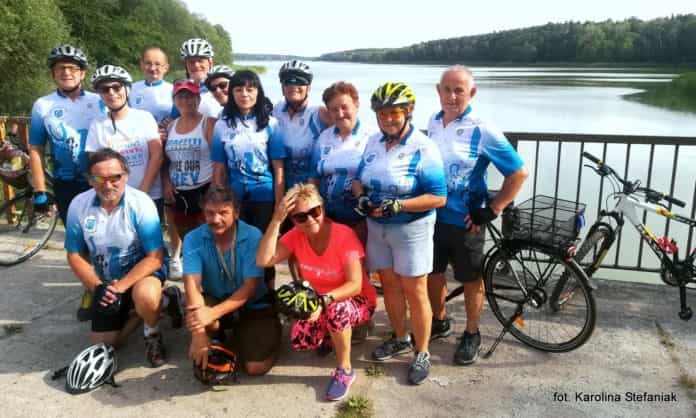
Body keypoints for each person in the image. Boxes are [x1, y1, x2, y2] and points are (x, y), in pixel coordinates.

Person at [427, 66, 528, 365]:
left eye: (459, 90)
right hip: (432, 218)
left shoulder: (482, 129)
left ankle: (472, 332)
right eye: (447, 89)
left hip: (465, 222)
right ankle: (439, 321)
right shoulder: (433, 121)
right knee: (433, 273)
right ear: (438, 91)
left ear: (471, 93)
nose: (452, 96)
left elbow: (519, 173)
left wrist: (493, 209)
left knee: (471, 280)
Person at [352, 82, 447, 385]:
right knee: (390, 286)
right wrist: (361, 197)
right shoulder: (373, 142)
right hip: (377, 227)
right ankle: (400, 337)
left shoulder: (423, 147)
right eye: (382, 114)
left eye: (394, 113)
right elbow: (358, 179)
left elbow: (439, 197)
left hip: (411, 229)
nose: (388, 119)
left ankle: (422, 351)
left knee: (415, 291)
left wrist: (400, 205)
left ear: (408, 111)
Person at [257, 183, 377, 400]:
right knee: (302, 341)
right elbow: (264, 260)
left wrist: (322, 302)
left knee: (337, 312)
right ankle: (335, 334)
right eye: (301, 217)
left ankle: (345, 370)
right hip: (320, 300)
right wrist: (276, 220)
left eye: (315, 211)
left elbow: (355, 285)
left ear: (323, 208)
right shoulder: (295, 235)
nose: (310, 220)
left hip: (355, 299)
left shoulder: (344, 235)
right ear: (292, 220)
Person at [64, 149, 183, 367]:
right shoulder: (78, 205)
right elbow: (74, 254)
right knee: (105, 345)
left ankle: (152, 333)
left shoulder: (141, 203)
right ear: (90, 180)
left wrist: (120, 288)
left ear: (126, 176)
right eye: (99, 178)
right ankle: (149, 309)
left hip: (142, 273)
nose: (108, 185)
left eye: (115, 178)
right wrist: (98, 288)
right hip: (107, 280)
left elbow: (155, 257)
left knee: (146, 297)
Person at [28, 45, 105, 322]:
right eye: (60, 68)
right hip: (65, 182)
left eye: (72, 68)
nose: (66, 72)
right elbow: (36, 148)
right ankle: (91, 288)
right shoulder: (43, 105)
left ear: (83, 73)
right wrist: (40, 189)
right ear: (53, 74)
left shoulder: (99, 100)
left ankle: (113, 286)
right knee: (78, 239)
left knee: (104, 236)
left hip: (100, 181)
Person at [183, 185, 281, 376]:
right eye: (210, 213)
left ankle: (270, 337)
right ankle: (216, 334)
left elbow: (249, 287)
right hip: (216, 299)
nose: (215, 219)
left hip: (253, 304)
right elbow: (191, 286)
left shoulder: (253, 235)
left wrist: (211, 314)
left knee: (255, 367)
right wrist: (198, 333)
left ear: (236, 213)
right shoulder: (192, 238)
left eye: (223, 213)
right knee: (201, 312)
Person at [211, 70, 285, 243]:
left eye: (250, 89)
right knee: (237, 244)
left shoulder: (271, 123)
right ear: (232, 93)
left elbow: (279, 168)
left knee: (263, 245)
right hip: (234, 196)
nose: (244, 94)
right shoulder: (222, 125)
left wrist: (279, 204)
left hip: (264, 195)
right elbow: (219, 168)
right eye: (238, 90)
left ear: (258, 92)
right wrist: (218, 202)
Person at [85, 65, 164, 221]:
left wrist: (141, 194)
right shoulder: (97, 124)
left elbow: (157, 156)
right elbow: (95, 164)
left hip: (148, 194)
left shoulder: (144, 117)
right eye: (105, 89)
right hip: (114, 197)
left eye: (116, 87)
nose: (111, 93)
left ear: (127, 89)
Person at [309, 81, 373, 243]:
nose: (340, 113)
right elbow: (313, 178)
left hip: (359, 219)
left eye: (344, 107)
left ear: (356, 105)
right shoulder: (324, 137)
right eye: (334, 109)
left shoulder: (372, 137)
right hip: (327, 218)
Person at [162, 79, 215, 239]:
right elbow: (165, 161)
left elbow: (219, 160)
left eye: (190, 96)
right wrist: (166, 183)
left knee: (209, 239)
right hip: (179, 193)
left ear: (198, 99)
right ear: (174, 101)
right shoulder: (170, 126)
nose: (185, 101)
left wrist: (214, 188)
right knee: (187, 239)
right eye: (180, 97)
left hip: (204, 189)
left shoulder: (209, 122)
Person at [274, 60, 330, 191]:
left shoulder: (319, 112)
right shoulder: (276, 111)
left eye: (300, 82)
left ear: (308, 88)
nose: (293, 85)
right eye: (288, 82)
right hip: (283, 186)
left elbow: (346, 130)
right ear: (282, 88)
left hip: (312, 188)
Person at [178, 38, 221, 119]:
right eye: (191, 62)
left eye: (200, 60)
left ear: (210, 63)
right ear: (186, 65)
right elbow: (176, 117)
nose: (196, 65)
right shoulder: (180, 90)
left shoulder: (222, 88)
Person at [130, 46, 173, 124]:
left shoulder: (173, 90)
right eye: (148, 63)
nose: (152, 68)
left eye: (157, 64)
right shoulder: (131, 89)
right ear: (142, 65)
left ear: (166, 68)